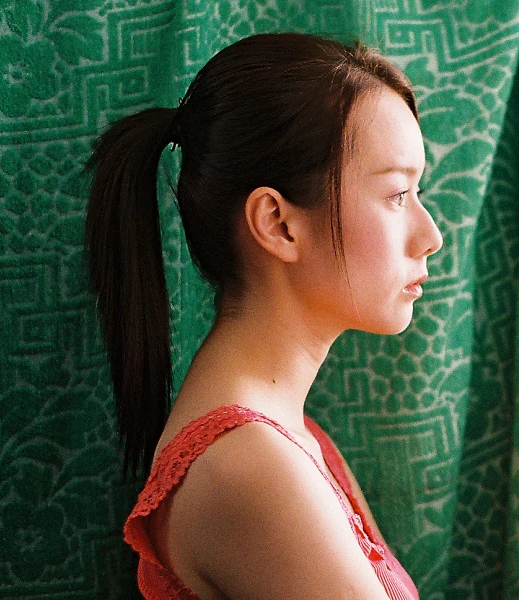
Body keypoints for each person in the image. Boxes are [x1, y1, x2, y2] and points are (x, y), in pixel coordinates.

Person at [85, 33, 441, 600]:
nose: (431, 236)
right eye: (397, 195)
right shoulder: (251, 468)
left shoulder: (294, 439)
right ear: (277, 223)